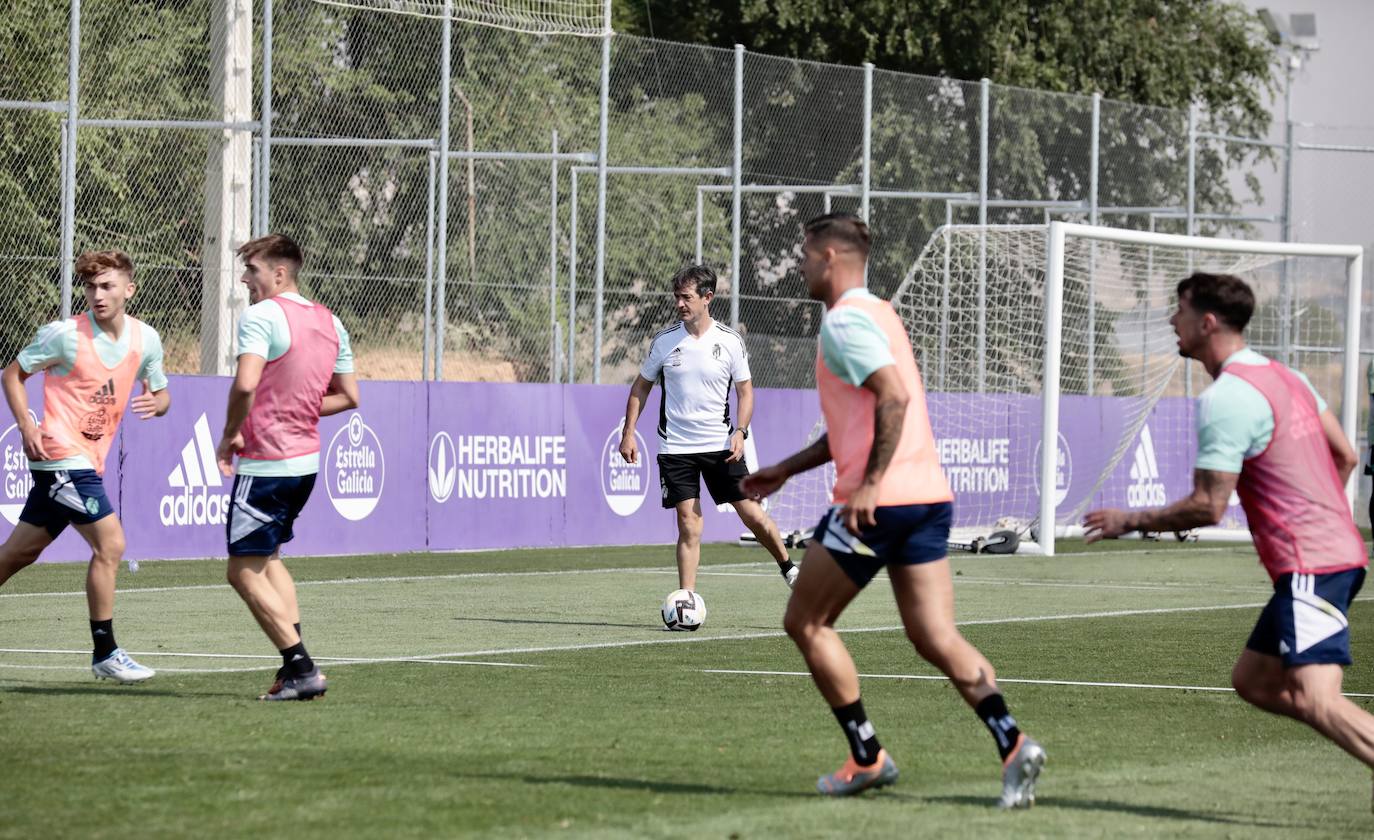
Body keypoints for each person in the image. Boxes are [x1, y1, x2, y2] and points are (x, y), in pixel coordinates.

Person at [742, 214, 1045, 806]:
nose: (800, 265)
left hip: (882, 504)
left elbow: (894, 398)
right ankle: (1013, 744)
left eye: (805, 254)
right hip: (928, 498)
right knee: (934, 635)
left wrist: (871, 484)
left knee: (805, 622)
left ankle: (867, 756)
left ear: (830, 256)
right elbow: (862, 420)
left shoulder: (845, 322)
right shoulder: (880, 313)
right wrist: (785, 470)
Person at [1085, 272, 1374, 792]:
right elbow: (1344, 455)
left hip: (1313, 562)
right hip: (1333, 553)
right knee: (1255, 681)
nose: (1173, 321)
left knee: (1316, 697)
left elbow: (1207, 506)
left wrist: (1125, 520)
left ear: (1207, 322)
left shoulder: (1227, 399)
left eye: (1179, 311)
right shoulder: (1288, 377)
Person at [0, 250, 170, 683]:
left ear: (129, 289)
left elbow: (161, 391)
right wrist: (25, 424)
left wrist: (158, 402)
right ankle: (105, 652)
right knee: (110, 544)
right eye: (91, 286)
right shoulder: (64, 336)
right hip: (59, 457)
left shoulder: (145, 339)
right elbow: (12, 374)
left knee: (19, 554)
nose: (97, 294)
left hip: (86, 463)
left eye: (107, 286)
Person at [215, 234, 358, 702]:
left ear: (279, 274)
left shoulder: (261, 316)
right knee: (270, 559)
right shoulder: (331, 320)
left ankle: (301, 667)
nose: (243, 279)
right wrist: (296, 409)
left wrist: (229, 434)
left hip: (266, 464)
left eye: (251, 270)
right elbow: (349, 396)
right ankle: (290, 668)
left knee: (241, 572)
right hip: (305, 466)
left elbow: (245, 385)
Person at [619, 264, 797, 597]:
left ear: (707, 298)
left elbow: (745, 392)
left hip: (720, 446)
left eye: (686, 297)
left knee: (752, 515)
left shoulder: (730, 341)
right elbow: (640, 387)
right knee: (689, 523)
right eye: (677, 297)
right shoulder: (665, 342)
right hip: (675, 449)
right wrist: (629, 432)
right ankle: (686, 598)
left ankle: (788, 567)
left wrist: (741, 431)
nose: (680, 304)